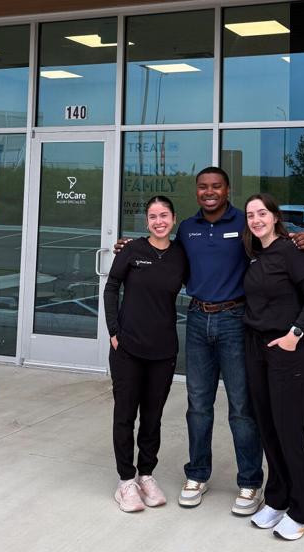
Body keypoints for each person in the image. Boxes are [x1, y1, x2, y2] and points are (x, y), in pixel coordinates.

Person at [173, 167, 304, 515]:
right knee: (198, 404)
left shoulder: (245, 224)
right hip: (197, 318)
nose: (209, 191)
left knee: (242, 407)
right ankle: (197, 474)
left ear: (227, 190)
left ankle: (250, 482)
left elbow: (274, 244)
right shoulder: (187, 228)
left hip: (236, 321)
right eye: (203, 186)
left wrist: (302, 240)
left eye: (216, 186)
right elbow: (170, 259)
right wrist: (131, 247)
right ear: (196, 191)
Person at [242, 192, 304, 541]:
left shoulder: (291, 251)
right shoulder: (254, 254)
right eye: (250, 215)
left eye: (262, 213)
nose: (256, 219)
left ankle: (303, 512)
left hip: (288, 350)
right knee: (268, 428)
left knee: (290, 431)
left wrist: (294, 334)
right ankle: (277, 499)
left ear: (275, 217)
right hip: (256, 348)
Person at [103, 195, 188, 513]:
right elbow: (111, 287)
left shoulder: (181, 255)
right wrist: (114, 331)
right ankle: (126, 481)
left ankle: (146, 475)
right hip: (127, 349)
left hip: (163, 351)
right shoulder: (133, 250)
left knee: (153, 418)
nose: (159, 221)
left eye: (164, 215)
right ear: (147, 222)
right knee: (125, 416)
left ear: (174, 218)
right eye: (153, 216)